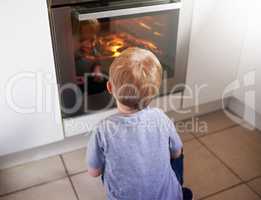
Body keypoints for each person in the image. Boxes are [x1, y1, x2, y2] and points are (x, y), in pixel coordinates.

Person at [86, 47, 192, 200]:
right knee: (177, 159)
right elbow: (176, 151)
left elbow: (94, 172)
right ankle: (179, 192)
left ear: (109, 87)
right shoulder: (160, 117)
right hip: (167, 196)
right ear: (154, 93)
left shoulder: (103, 129)